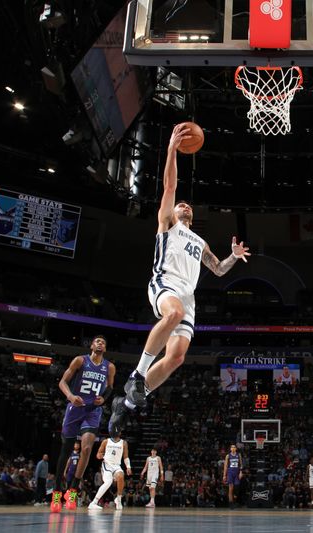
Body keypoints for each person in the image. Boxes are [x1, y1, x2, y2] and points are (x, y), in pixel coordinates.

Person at [109, 124, 251, 431]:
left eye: (188, 206)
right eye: (180, 205)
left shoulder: (200, 242)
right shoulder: (167, 226)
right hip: (165, 282)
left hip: (189, 297)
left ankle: (127, 403)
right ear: (172, 213)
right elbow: (170, 187)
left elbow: (218, 269)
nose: (184, 205)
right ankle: (137, 375)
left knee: (176, 359)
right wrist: (172, 150)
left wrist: (234, 257)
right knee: (172, 313)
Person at [52, 335, 116, 512]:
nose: (100, 343)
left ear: (105, 348)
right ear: (91, 345)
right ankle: (57, 492)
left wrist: (104, 399)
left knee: (87, 449)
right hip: (75, 408)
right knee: (65, 451)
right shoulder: (80, 360)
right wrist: (71, 396)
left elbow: (110, 388)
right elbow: (63, 382)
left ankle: (73, 491)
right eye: (97, 341)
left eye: (103, 342)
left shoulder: (109, 367)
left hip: (92, 411)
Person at [88, 427, 131, 511]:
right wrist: (100, 455)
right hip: (107, 465)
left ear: (120, 433)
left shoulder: (124, 443)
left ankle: (118, 500)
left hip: (116, 466)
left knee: (121, 476)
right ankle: (93, 503)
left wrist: (128, 467)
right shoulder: (106, 441)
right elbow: (98, 454)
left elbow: (126, 457)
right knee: (108, 482)